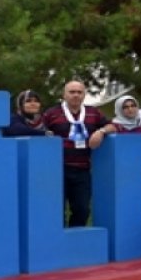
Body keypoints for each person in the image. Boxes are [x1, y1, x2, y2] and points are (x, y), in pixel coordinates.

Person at [40, 80, 110, 227]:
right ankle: (57, 243)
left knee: (82, 209)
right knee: (56, 210)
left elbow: (113, 125)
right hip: (57, 170)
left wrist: (101, 131)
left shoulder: (93, 112)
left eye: (79, 92)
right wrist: (46, 134)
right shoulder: (52, 113)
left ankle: (75, 240)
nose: (76, 95)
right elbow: (39, 129)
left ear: (84, 95)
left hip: (82, 170)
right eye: (72, 92)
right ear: (64, 95)